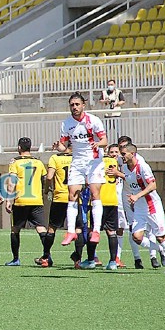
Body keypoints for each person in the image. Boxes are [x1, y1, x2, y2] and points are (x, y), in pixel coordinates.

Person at [53, 92, 108, 247]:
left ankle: (96, 230)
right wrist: (59, 147)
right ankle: (71, 231)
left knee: (94, 193)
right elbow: (65, 146)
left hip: (94, 161)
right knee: (72, 194)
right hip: (77, 161)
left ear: (83, 105)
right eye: (72, 105)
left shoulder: (93, 120)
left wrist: (99, 144)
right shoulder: (66, 123)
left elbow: (104, 140)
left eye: (77, 104)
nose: (74, 107)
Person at [119, 144, 165, 274]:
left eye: (123, 154)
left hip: (152, 206)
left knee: (160, 237)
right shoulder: (125, 168)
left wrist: (137, 196)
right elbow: (132, 183)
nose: (121, 156)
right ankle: (159, 249)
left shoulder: (142, 167)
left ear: (132, 154)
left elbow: (153, 185)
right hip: (139, 208)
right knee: (136, 236)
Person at [116, 136, 165, 269]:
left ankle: (153, 255)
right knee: (134, 231)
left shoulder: (140, 162)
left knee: (150, 230)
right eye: (120, 147)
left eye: (124, 148)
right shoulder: (120, 159)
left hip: (142, 198)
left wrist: (118, 174)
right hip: (128, 197)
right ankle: (137, 258)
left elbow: (146, 183)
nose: (121, 151)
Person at [3, 137, 48, 266]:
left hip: (21, 200)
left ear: (19, 148)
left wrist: (8, 200)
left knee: (15, 229)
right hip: (36, 200)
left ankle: (16, 259)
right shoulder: (38, 162)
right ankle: (47, 257)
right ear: (30, 147)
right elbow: (44, 179)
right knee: (40, 228)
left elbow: (12, 182)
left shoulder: (15, 162)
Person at [38, 142, 79, 267]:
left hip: (60, 197)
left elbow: (49, 177)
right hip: (76, 198)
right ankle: (78, 259)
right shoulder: (78, 158)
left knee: (52, 228)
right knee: (78, 228)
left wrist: (47, 189)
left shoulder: (55, 158)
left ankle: (46, 257)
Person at [80, 145, 120, 270]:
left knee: (94, 230)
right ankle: (113, 262)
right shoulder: (113, 162)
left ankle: (91, 260)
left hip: (99, 202)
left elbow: (88, 181)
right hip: (113, 201)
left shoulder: (94, 163)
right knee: (112, 232)